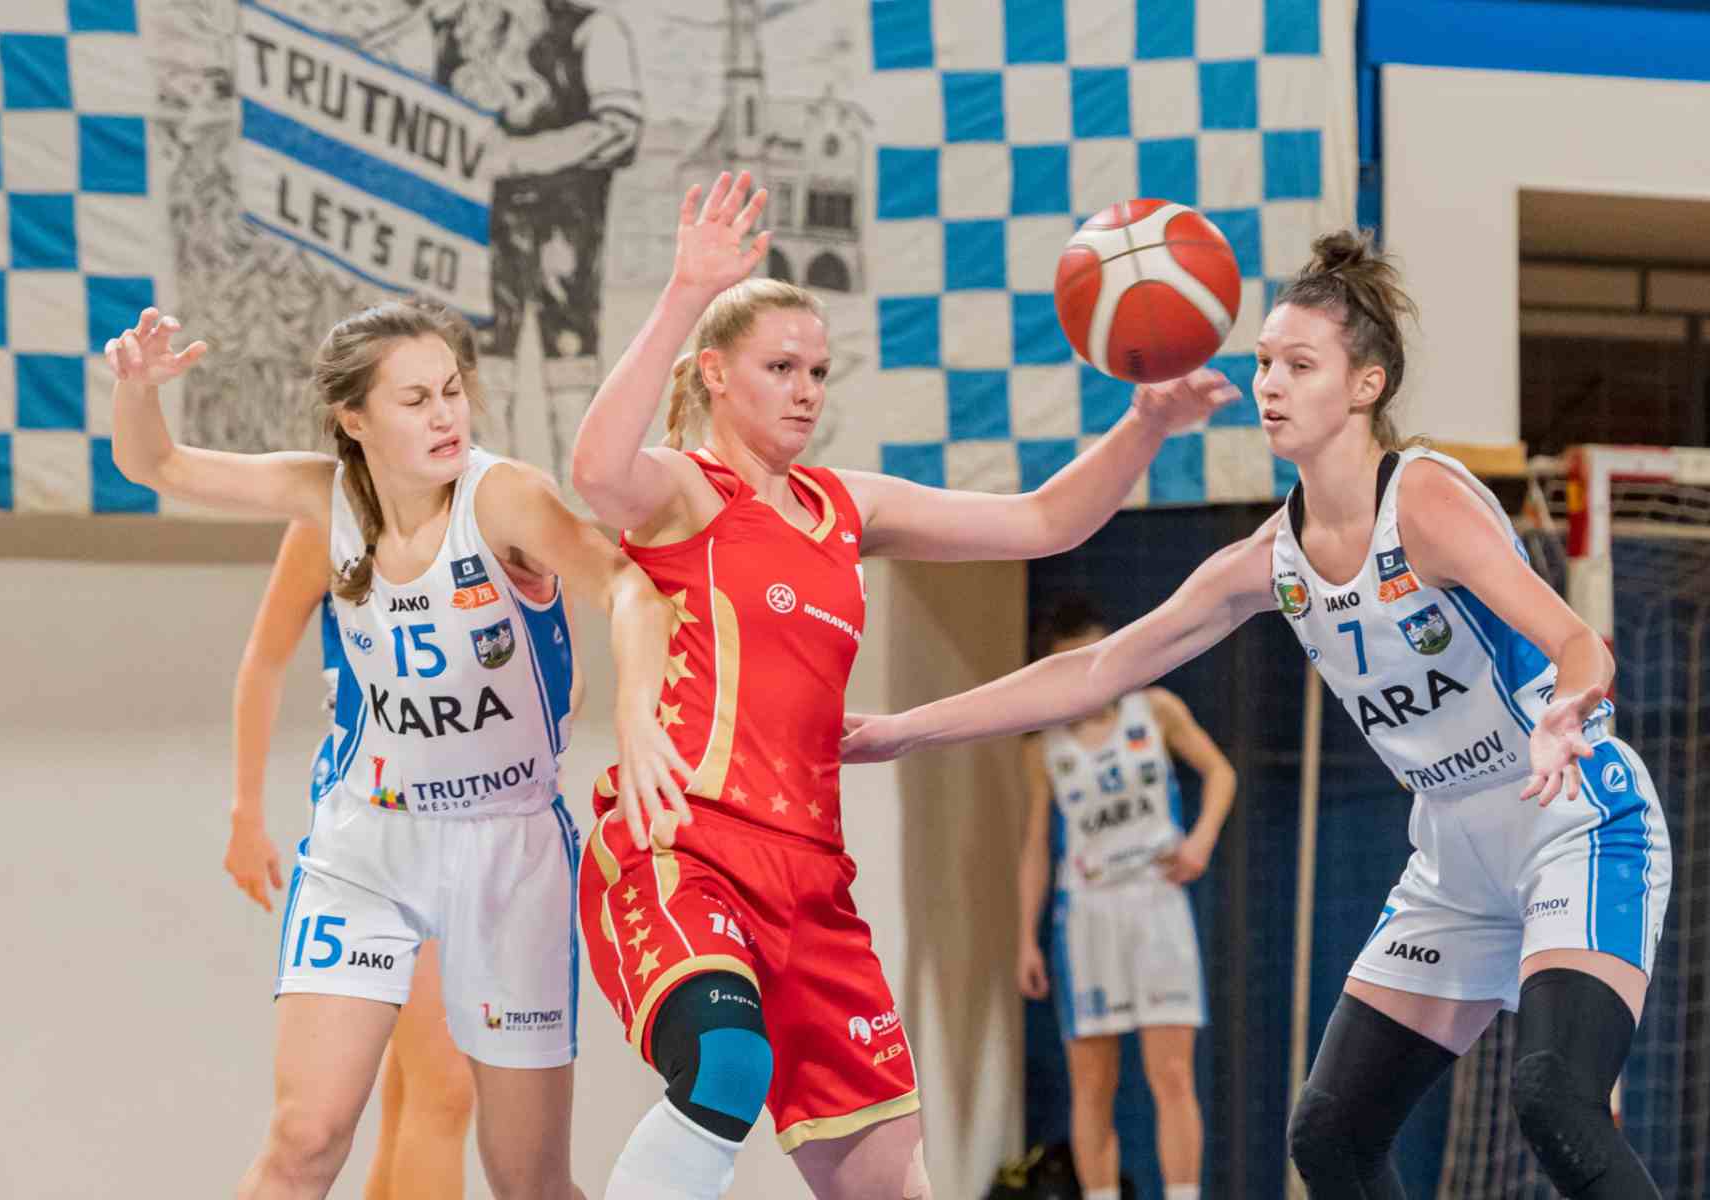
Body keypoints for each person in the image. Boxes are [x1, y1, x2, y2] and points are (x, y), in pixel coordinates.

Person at [843, 232, 1672, 1200]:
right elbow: (1096, 671)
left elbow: (1578, 642)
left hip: (1572, 820)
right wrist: (904, 729)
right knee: (1331, 1136)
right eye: (1264, 362)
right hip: (1454, 850)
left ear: (1365, 385)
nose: (1270, 385)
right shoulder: (1269, 561)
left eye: (1299, 365)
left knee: (1554, 1098)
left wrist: (1568, 709)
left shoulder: (1427, 501)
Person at [565, 171, 1243, 1200]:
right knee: (727, 1066)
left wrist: (1146, 424)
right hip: (686, 843)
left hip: (812, 879)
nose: (805, 390)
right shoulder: (686, 492)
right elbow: (594, 471)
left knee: (893, 1183)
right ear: (713, 374)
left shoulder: (845, 504)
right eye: (780, 367)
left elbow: (1044, 521)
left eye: (818, 371)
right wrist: (684, 293)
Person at [107, 297, 689, 1200]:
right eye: (415, 400)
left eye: (452, 391)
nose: (446, 415)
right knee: (305, 1138)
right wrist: (138, 391)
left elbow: (630, 591)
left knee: (528, 1180)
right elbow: (157, 464)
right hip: (369, 845)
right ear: (355, 419)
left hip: (507, 849)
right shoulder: (324, 499)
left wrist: (638, 717)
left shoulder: (505, 497)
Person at [227, 515, 564, 1198]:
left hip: (480, 833)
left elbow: (562, 679)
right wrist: (246, 813)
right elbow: (264, 658)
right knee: (440, 1087)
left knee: (413, 1091)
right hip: (379, 835)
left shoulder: (495, 508)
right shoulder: (327, 518)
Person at [1018, 597, 1234, 1200]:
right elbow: (1036, 845)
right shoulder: (1043, 746)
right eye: (1069, 662)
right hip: (1086, 916)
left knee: (1173, 1074)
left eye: (1093, 655)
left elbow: (1222, 772)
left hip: (1156, 903)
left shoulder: (1156, 709)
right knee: (1093, 1085)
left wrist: (1200, 841)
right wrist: (1025, 939)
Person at [432, 0, 643, 476]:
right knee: (480, 364)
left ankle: (578, 496)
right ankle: (490, 499)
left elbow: (620, 130)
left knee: (570, 361)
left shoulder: (593, 31)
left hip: (567, 232)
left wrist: (517, 157)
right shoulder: (452, 30)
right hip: (476, 239)